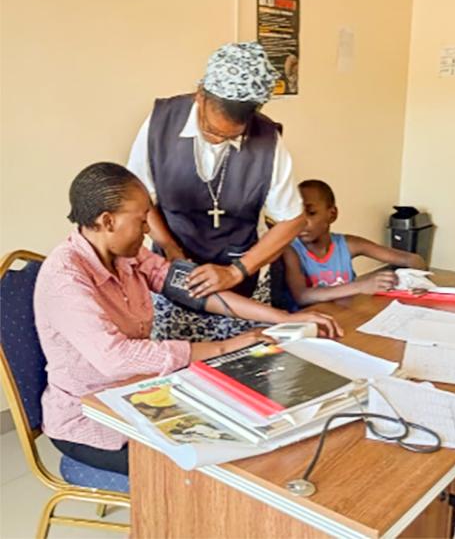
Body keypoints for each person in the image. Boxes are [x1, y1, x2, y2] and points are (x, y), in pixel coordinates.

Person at [34, 163, 342, 476]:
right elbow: (115, 359)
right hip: (91, 420)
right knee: (219, 465)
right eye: (142, 221)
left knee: (248, 423)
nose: (146, 231)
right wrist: (223, 347)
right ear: (107, 221)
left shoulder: (130, 255)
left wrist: (282, 317)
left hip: (141, 395)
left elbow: (195, 289)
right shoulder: (65, 279)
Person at [127, 41, 305, 299]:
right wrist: (171, 249)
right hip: (172, 267)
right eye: (211, 130)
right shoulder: (161, 122)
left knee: (248, 340)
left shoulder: (266, 138)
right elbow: (138, 196)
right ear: (200, 95)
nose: (218, 140)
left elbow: (292, 219)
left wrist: (236, 272)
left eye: (231, 137)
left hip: (242, 275)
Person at [283, 180, 426, 307]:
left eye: (311, 213)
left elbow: (413, 260)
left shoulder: (347, 244)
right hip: (308, 327)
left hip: (345, 319)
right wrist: (360, 286)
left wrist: (414, 282)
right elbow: (302, 296)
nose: (300, 222)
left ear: (332, 214)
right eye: (296, 215)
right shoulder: (291, 250)